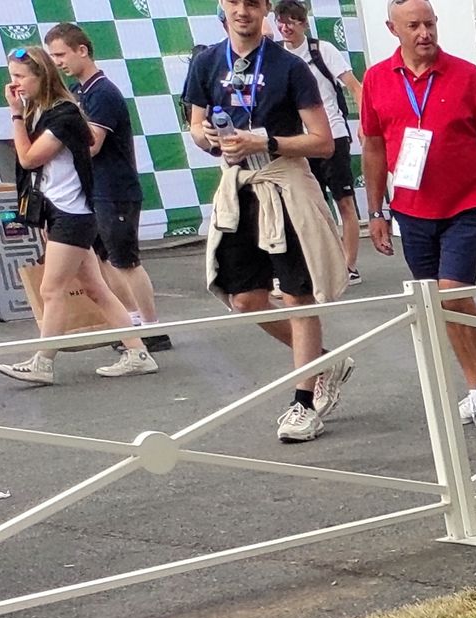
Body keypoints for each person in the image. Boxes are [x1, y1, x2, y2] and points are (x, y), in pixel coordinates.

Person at [182, 0, 352, 444]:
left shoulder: (288, 66)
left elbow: (324, 141)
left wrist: (266, 139)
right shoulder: (206, 62)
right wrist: (210, 138)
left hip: (284, 182)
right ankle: (322, 361)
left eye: (253, 3)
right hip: (238, 187)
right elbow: (197, 126)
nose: (243, 11)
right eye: (235, 2)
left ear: (266, 9)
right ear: (223, 5)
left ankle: (303, 401)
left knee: (299, 297)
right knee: (244, 300)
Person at [360, 0, 476, 431]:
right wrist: (375, 211)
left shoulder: (467, 76)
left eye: (429, 24)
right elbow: (374, 148)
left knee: (454, 292)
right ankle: (473, 388)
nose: (424, 33)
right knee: (436, 302)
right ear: (392, 29)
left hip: (465, 203)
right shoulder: (377, 79)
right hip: (411, 208)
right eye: (413, 25)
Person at [0, 46, 156, 385]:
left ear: (41, 76)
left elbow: (28, 159)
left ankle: (43, 361)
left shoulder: (63, 114)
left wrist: (14, 114)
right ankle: (138, 351)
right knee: (95, 287)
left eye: (20, 77)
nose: (14, 84)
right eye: (11, 76)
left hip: (73, 213)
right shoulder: (43, 111)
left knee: (52, 289)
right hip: (61, 210)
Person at [41, 24, 167, 361]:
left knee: (126, 260)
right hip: (95, 190)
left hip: (116, 189)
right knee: (105, 258)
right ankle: (134, 321)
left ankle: (152, 329)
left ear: (82, 50)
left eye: (61, 54)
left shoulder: (102, 92)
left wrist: (55, 139)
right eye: (53, 57)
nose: (58, 62)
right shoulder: (78, 91)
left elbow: (92, 144)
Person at [271, 1, 361, 287]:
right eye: (281, 21)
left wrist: (367, 126)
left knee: (344, 202)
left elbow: (354, 86)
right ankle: (319, 266)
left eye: (293, 22)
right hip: (299, 143)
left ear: (304, 23)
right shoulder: (274, 56)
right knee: (310, 208)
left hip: (333, 136)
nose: (286, 27)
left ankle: (349, 266)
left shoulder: (322, 50)